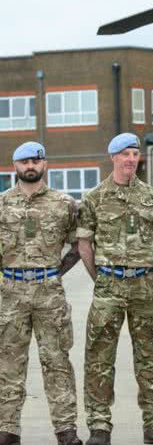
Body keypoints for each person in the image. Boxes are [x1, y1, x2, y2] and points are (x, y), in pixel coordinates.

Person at [77, 133, 153, 445]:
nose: (131, 159)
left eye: (135, 153)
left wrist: (141, 267)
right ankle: (99, 427)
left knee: (151, 358)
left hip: (145, 285)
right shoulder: (94, 198)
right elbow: (84, 245)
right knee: (99, 358)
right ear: (113, 157)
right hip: (108, 285)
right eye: (125, 154)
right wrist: (104, 277)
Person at [0, 142, 83, 445]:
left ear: (45, 164)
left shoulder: (64, 203)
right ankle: (7, 430)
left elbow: (78, 245)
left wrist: (56, 272)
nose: (30, 165)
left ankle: (66, 430)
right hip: (11, 293)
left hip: (50, 293)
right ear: (15, 166)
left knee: (57, 361)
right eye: (24, 161)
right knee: (9, 363)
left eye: (36, 160)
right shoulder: (1, 204)